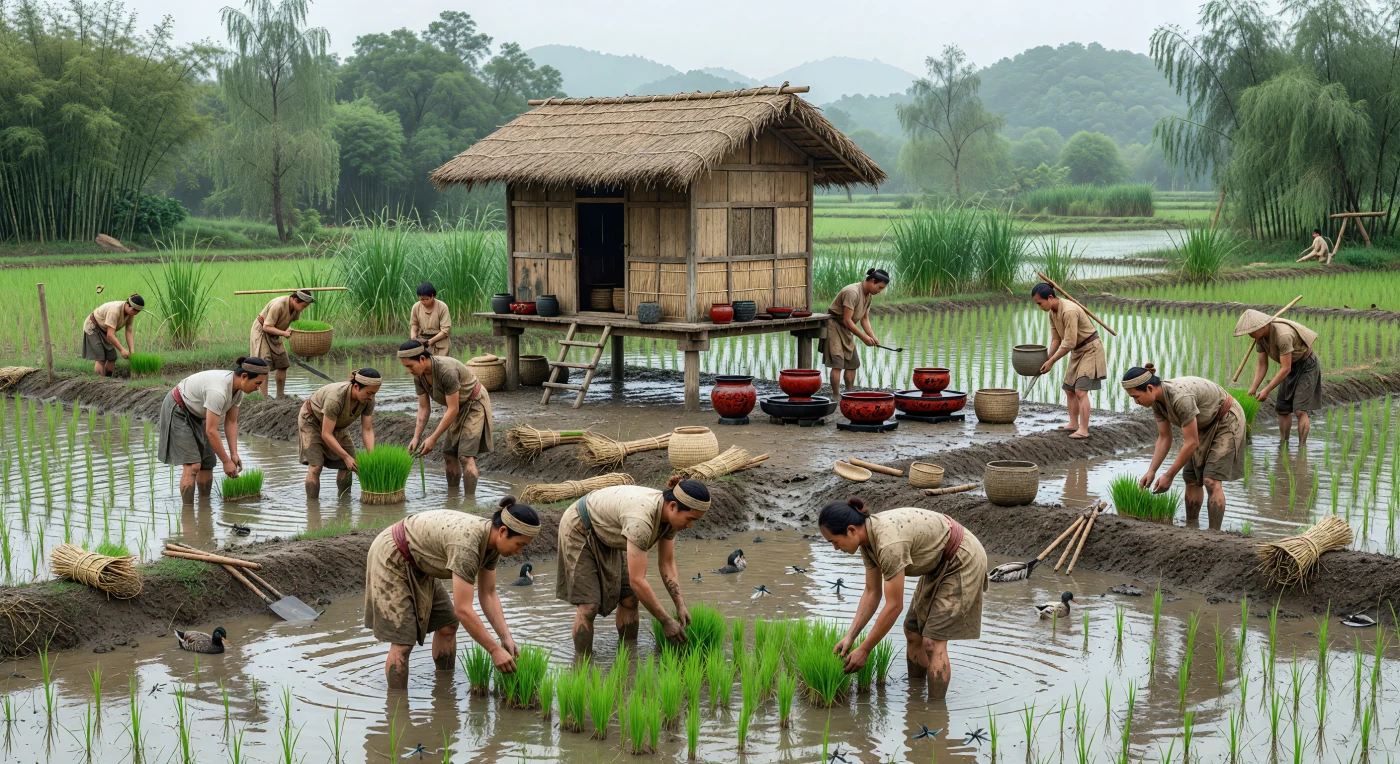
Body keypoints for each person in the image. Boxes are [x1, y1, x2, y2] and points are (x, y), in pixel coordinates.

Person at [364, 497, 541, 690]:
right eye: (519, 544)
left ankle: (444, 689)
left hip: (420, 562)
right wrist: (494, 650)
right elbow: (463, 609)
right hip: (393, 556)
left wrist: (505, 637)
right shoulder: (468, 545)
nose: (520, 552)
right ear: (503, 531)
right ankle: (398, 706)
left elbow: (488, 594)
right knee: (403, 642)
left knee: (447, 625)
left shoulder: (492, 546)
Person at [817, 498, 986, 699]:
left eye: (835, 542)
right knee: (912, 631)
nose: (836, 548)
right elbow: (872, 592)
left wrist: (865, 649)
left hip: (961, 559)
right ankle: (915, 696)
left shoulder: (888, 543)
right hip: (937, 562)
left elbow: (894, 605)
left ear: (851, 530)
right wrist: (850, 637)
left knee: (932, 641)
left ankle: (934, 712)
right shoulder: (867, 543)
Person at [556, 477, 710, 656]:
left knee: (629, 598)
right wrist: (665, 621)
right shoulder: (641, 520)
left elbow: (667, 564)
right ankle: (582, 665)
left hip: (610, 531)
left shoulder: (672, 520)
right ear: (673, 506)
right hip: (581, 527)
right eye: (690, 519)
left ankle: (629, 657)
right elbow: (637, 580)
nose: (690, 526)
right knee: (589, 606)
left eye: (695, 521)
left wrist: (680, 605)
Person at [1123, 363, 1246, 530]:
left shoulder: (1180, 397)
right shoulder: (1157, 402)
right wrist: (1152, 470)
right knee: (1191, 478)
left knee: (1211, 480)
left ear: (1150, 388)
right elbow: (1164, 438)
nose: (1136, 402)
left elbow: (1192, 442)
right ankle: (1191, 528)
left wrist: (1169, 475)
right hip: (1203, 424)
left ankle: (1214, 535)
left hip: (1226, 420)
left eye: (1136, 397)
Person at [157, 358, 269, 503]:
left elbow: (231, 421)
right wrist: (225, 461)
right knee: (193, 465)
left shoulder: (238, 390)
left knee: (207, 463)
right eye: (258, 383)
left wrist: (233, 454)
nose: (258, 388)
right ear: (244, 377)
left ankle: (204, 507)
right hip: (179, 408)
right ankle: (188, 512)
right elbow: (211, 431)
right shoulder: (218, 391)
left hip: (198, 413)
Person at [398, 340, 492, 492]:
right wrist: (416, 437)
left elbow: (453, 409)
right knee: (449, 454)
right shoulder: (419, 375)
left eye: (410, 366)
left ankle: (469, 503)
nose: (409, 370)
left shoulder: (445, 371)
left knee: (465, 456)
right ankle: (452, 497)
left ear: (422, 359)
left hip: (474, 404)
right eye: (406, 367)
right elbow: (423, 408)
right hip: (456, 406)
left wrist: (433, 438)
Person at [1031, 283, 1107, 439]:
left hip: (1090, 349)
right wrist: (1046, 359)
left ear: (1050, 298)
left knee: (1080, 390)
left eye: (1040, 303)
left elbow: (1069, 343)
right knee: (1069, 389)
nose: (1039, 307)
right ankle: (1073, 424)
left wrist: (1052, 362)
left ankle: (1083, 429)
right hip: (1077, 351)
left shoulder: (1069, 311)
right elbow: (1056, 340)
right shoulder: (1052, 313)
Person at [1235, 309, 1322, 445]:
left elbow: (1285, 368)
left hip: (1306, 365)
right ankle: (1284, 444)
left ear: (1263, 326)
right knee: (1282, 409)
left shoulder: (1283, 336)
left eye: (1252, 332)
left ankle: (1301, 448)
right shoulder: (1260, 337)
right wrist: (1254, 388)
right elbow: (1262, 365)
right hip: (1289, 367)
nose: (1250, 335)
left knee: (1300, 410)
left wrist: (1266, 390)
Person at [299, 368, 381, 498]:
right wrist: (345, 456)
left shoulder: (368, 400)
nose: (371, 397)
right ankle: (313, 507)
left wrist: (372, 455)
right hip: (312, 421)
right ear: (356, 386)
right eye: (369, 393)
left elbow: (367, 429)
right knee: (316, 466)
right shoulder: (336, 398)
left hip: (337, 424)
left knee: (349, 466)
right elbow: (326, 434)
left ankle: (344, 503)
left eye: (374, 393)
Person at [822, 268, 889, 398]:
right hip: (834, 325)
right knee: (837, 363)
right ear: (873, 281)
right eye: (880, 288)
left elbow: (864, 319)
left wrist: (872, 337)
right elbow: (847, 320)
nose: (880, 291)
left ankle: (850, 394)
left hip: (847, 329)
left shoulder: (868, 296)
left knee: (852, 363)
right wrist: (863, 337)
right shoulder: (852, 292)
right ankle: (836, 396)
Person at [249, 288, 315, 398]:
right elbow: (266, 327)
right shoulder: (278, 305)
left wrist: (288, 330)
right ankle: (263, 398)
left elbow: (287, 321)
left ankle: (280, 396)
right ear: (294, 300)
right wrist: (284, 333)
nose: (303, 309)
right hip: (261, 331)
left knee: (283, 363)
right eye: (303, 306)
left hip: (276, 332)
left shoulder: (295, 309)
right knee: (264, 364)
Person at [82, 294, 144, 377]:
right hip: (93, 327)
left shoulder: (130, 314)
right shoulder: (114, 311)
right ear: (128, 305)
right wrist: (122, 350)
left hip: (105, 329)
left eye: (138, 312)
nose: (136, 313)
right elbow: (110, 335)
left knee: (112, 357)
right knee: (100, 358)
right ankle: (99, 381)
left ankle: (108, 380)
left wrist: (132, 351)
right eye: (134, 310)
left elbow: (129, 331)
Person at [409, 282, 452, 357]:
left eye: (426, 299)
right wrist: (413, 339)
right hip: (422, 340)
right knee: (422, 366)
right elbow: (414, 325)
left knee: (440, 365)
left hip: (440, 342)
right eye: (421, 299)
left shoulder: (442, 307)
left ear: (433, 296)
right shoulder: (416, 307)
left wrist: (430, 342)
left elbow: (445, 330)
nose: (424, 302)